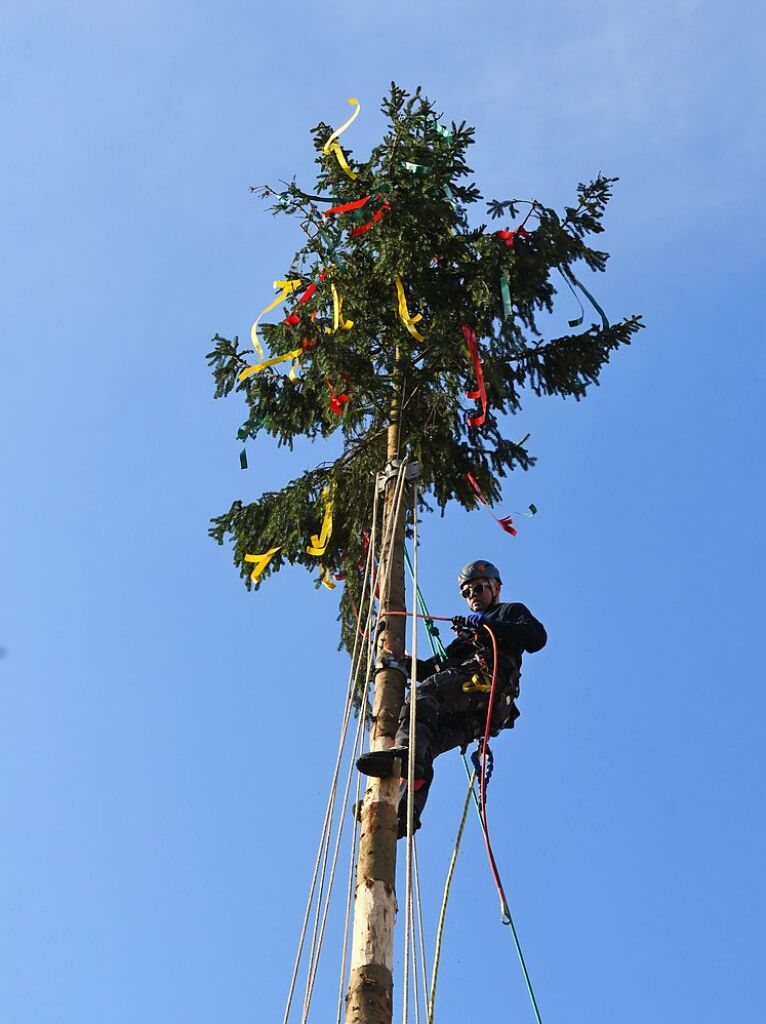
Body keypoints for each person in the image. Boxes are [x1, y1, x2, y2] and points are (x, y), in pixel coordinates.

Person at [356, 560, 547, 837]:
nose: (473, 596)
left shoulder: (509, 612)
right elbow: (433, 669)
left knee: (426, 694)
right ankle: (406, 811)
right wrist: (398, 663)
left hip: (488, 686)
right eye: (466, 593)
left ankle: (405, 755)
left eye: (478, 588)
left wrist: (489, 626)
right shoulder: (466, 637)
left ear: (496, 587)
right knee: (428, 743)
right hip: (475, 712)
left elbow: (537, 637)